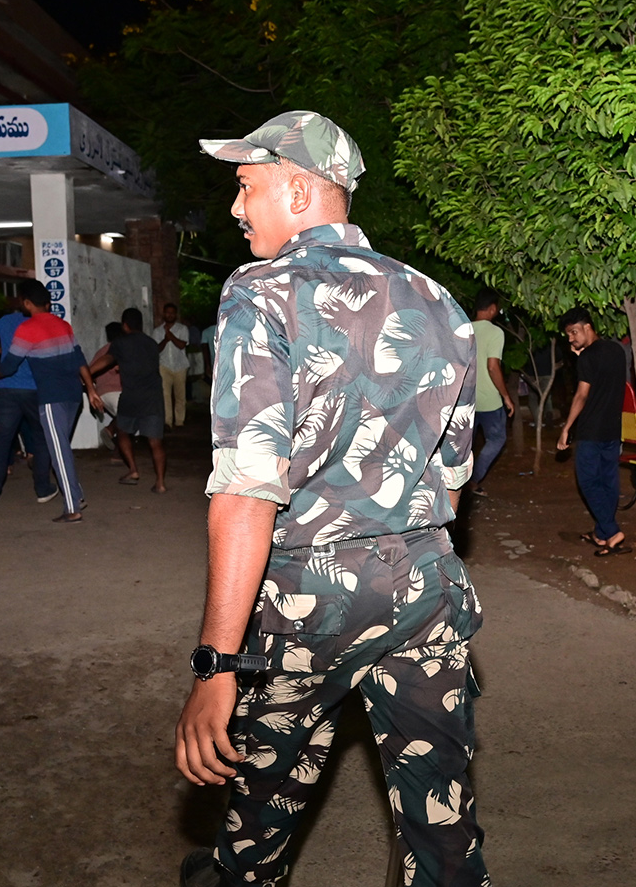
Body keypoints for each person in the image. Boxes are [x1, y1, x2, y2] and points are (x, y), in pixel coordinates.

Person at [176, 110, 488, 887]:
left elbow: (248, 489)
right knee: (439, 812)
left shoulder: (263, 291)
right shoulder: (436, 299)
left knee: (264, 798)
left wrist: (217, 665)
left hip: (311, 597)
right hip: (426, 582)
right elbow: (454, 475)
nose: (239, 208)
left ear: (299, 188)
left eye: (247, 189)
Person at [0, 280, 103, 523]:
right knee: (60, 447)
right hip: (73, 394)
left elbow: (9, 367)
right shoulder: (63, 325)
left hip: (51, 396)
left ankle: (72, 508)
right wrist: (91, 390)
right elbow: (80, 359)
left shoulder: (27, 329)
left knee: (58, 450)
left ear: (26, 302)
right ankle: (77, 495)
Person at [556, 306, 630, 556]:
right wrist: (582, 356)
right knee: (608, 481)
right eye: (568, 335)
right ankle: (601, 533)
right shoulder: (618, 350)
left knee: (588, 481)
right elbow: (607, 380)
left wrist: (566, 428)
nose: (571, 338)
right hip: (613, 428)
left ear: (588, 327)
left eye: (574, 332)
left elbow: (582, 394)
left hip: (591, 429)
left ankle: (612, 530)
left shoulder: (587, 357)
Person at [0, 300, 57, 514]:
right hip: (34, 388)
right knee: (41, 438)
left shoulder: (5, 321)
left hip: (6, 388)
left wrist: (3, 351)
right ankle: (42, 489)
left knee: (3, 440)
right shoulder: (41, 322)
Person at [88, 308, 166, 492]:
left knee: (122, 432)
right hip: (153, 397)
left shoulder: (121, 343)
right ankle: (160, 483)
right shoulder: (152, 343)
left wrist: (88, 371)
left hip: (131, 396)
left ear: (125, 325)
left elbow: (107, 359)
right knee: (155, 442)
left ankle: (133, 470)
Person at [467, 289, 514, 497]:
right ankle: (474, 480)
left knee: (464, 444)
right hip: (488, 400)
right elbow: (493, 366)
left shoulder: (463, 329)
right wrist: (505, 396)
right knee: (496, 439)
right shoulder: (496, 333)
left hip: (465, 398)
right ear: (493, 308)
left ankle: (457, 483)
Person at [151, 302, 190, 428]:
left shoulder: (182, 329)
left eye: (172, 313)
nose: (170, 315)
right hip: (164, 365)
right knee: (165, 395)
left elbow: (182, 345)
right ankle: (168, 422)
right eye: (167, 312)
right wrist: (165, 339)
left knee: (180, 395)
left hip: (180, 366)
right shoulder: (157, 331)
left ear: (176, 315)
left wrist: (171, 336)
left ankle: (179, 421)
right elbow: (156, 349)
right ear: (164, 314)